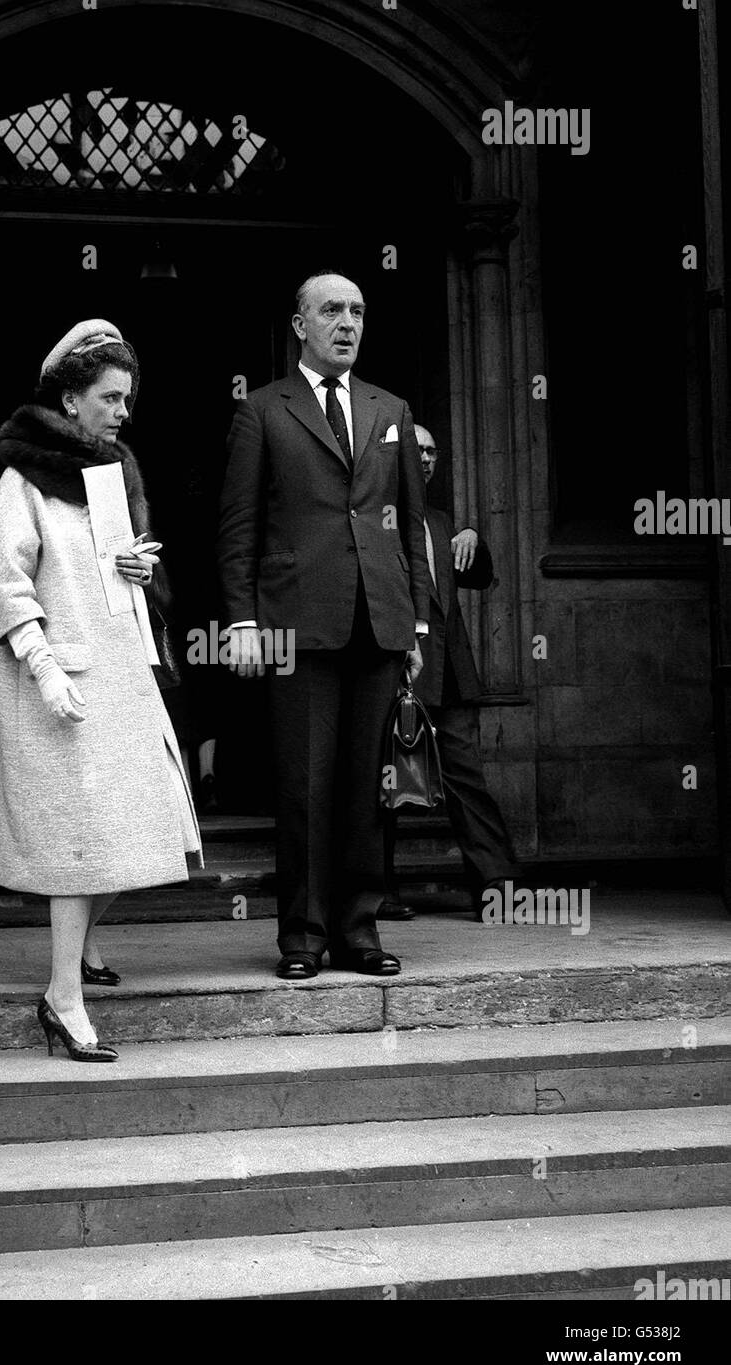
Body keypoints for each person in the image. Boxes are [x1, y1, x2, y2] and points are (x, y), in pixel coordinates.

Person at [0, 318, 202, 1061]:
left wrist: (145, 576)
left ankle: (79, 955)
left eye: (127, 399)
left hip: (123, 678)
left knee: (150, 824)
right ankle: (62, 999)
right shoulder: (25, 479)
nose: (122, 411)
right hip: (64, 687)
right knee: (79, 845)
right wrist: (44, 670)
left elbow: (122, 580)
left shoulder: (114, 479)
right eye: (110, 398)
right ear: (70, 401)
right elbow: (8, 585)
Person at [218, 271, 430, 979]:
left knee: (368, 787)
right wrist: (242, 620)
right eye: (332, 310)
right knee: (305, 785)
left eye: (358, 311)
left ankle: (358, 932)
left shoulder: (389, 407)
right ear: (300, 325)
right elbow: (239, 526)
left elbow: (408, 528)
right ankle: (303, 938)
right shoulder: (262, 411)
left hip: (381, 622)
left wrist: (418, 630)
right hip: (295, 625)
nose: (348, 322)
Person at [412, 424, 517, 918]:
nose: (428, 458)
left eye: (433, 451)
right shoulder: (370, 521)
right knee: (382, 785)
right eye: (418, 450)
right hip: (395, 674)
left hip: (449, 675)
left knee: (467, 782)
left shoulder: (440, 522)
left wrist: (473, 533)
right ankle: (377, 894)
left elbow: (478, 577)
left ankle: (497, 889)